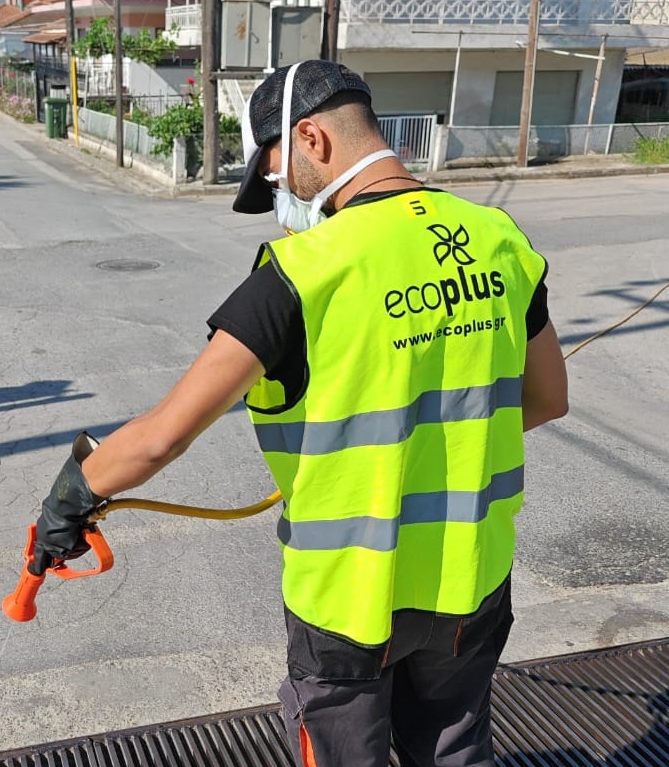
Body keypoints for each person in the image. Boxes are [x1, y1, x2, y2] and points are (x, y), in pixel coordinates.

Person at [29, 60, 569, 767]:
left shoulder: (301, 272)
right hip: (471, 577)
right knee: (455, 749)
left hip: (348, 598)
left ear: (314, 138)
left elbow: (162, 436)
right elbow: (548, 398)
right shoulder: (498, 239)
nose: (283, 195)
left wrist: (68, 503)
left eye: (280, 176)